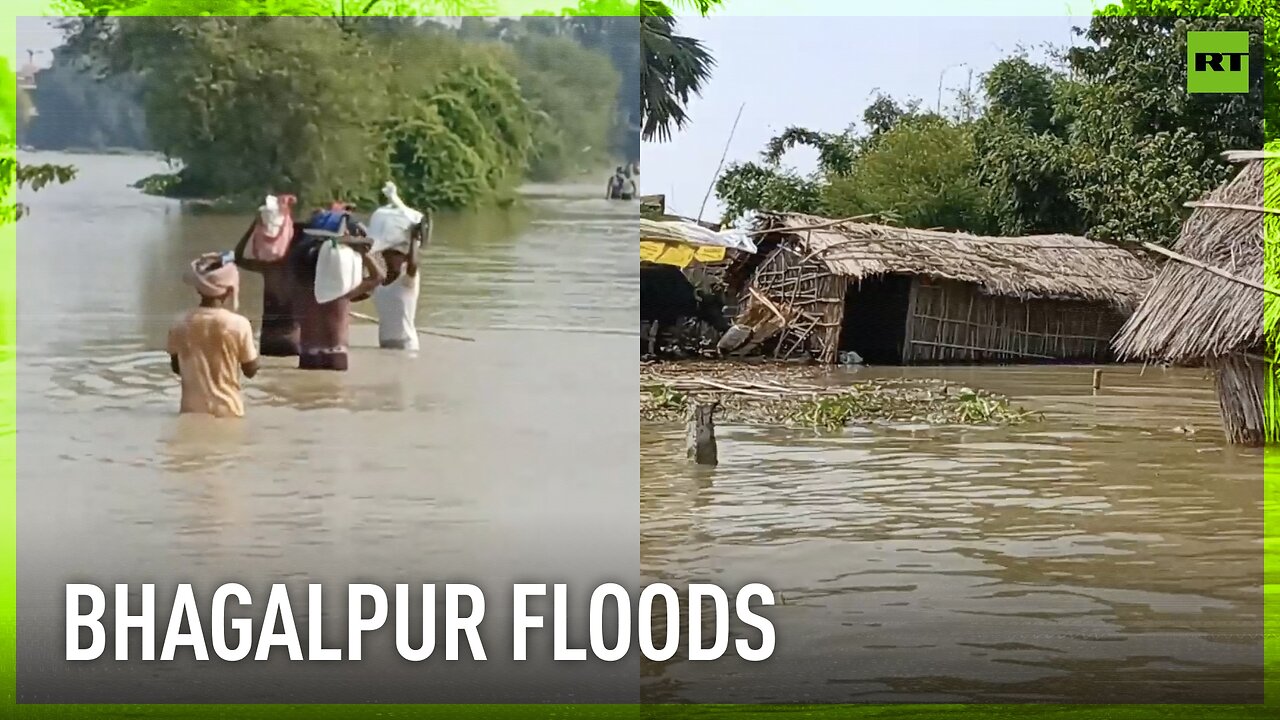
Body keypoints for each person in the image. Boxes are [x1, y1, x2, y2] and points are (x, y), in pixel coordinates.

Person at [289, 212, 387, 371]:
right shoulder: (341, 292)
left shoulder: (300, 286)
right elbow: (379, 277)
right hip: (335, 353)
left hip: (308, 353)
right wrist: (364, 253)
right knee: (335, 395)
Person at [167, 255, 260, 418]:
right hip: (229, 412)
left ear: (198, 289)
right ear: (229, 291)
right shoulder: (238, 324)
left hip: (191, 413)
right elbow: (250, 370)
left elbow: (176, 368)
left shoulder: (179, 323)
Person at [232, 212, 301, 357]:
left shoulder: (269, 268)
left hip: (269, 340)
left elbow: (238, 257)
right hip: (293, 339)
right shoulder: (301, 270)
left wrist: (253, 229)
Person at [372, 210, 429, 351]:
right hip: (384, 346)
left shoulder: (407, 281)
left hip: (406, 345)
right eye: (385, 254)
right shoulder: (377, 282)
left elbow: (413, 265)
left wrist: (414, 239)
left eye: (394, 254)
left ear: (404, 258)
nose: (387, 258)